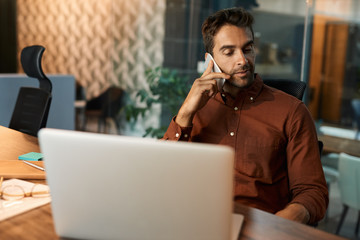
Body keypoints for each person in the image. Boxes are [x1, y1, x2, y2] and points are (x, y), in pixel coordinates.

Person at [163, 7, 328, 225]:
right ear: (209, 59)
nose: (243, 60)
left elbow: (312, 191)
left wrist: (282, 223)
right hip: (199, 222)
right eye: (229, 52)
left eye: (247, 49)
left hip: (262, 226)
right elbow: (163, 175)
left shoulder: (292, 111)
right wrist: (185, 112)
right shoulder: (196, 107)